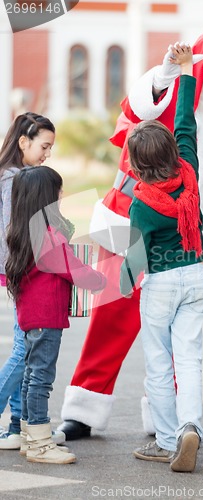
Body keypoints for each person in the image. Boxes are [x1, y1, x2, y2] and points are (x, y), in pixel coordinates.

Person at [58, 26, 203, 440]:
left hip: (186, 232)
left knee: (177, 332)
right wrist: (166, 74)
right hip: (135, 219)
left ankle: (168, 420)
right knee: (114, 313)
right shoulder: (164, 85)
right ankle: (85, 406)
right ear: (197, 61)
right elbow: (133, 113)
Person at [120, 43, 203, 473]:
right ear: (173, 150)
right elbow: (187, 119)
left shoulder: (141, 205)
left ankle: (169, 439)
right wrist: (187, 71)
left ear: (136, 164)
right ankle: (192, 426)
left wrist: (120, 280)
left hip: (160, 284)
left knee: (159, 362)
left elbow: (135, 261)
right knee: (189, 358)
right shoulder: (188, 167)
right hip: (196, 277)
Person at [5, 165, 107, 464]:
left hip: (30, 317)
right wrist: (102, 279)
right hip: (46, 318)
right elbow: (74, 270)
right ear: (45, 197)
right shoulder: (48, 235)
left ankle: (28, 435)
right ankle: (39, 444)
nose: (62, 195)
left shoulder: (21, 231)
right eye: (57, 190)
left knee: (31, 377)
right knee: (41, 379)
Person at [0, 112, 66, 450]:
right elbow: (22, 232)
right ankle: (23, 424)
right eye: (44, 146)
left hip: (18, 273)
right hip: (23, 275)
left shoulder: (14, 175)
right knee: (25, 355)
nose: (47, 154)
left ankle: (17, 425)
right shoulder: (17, 180)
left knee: (24, 353)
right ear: (23, 141)